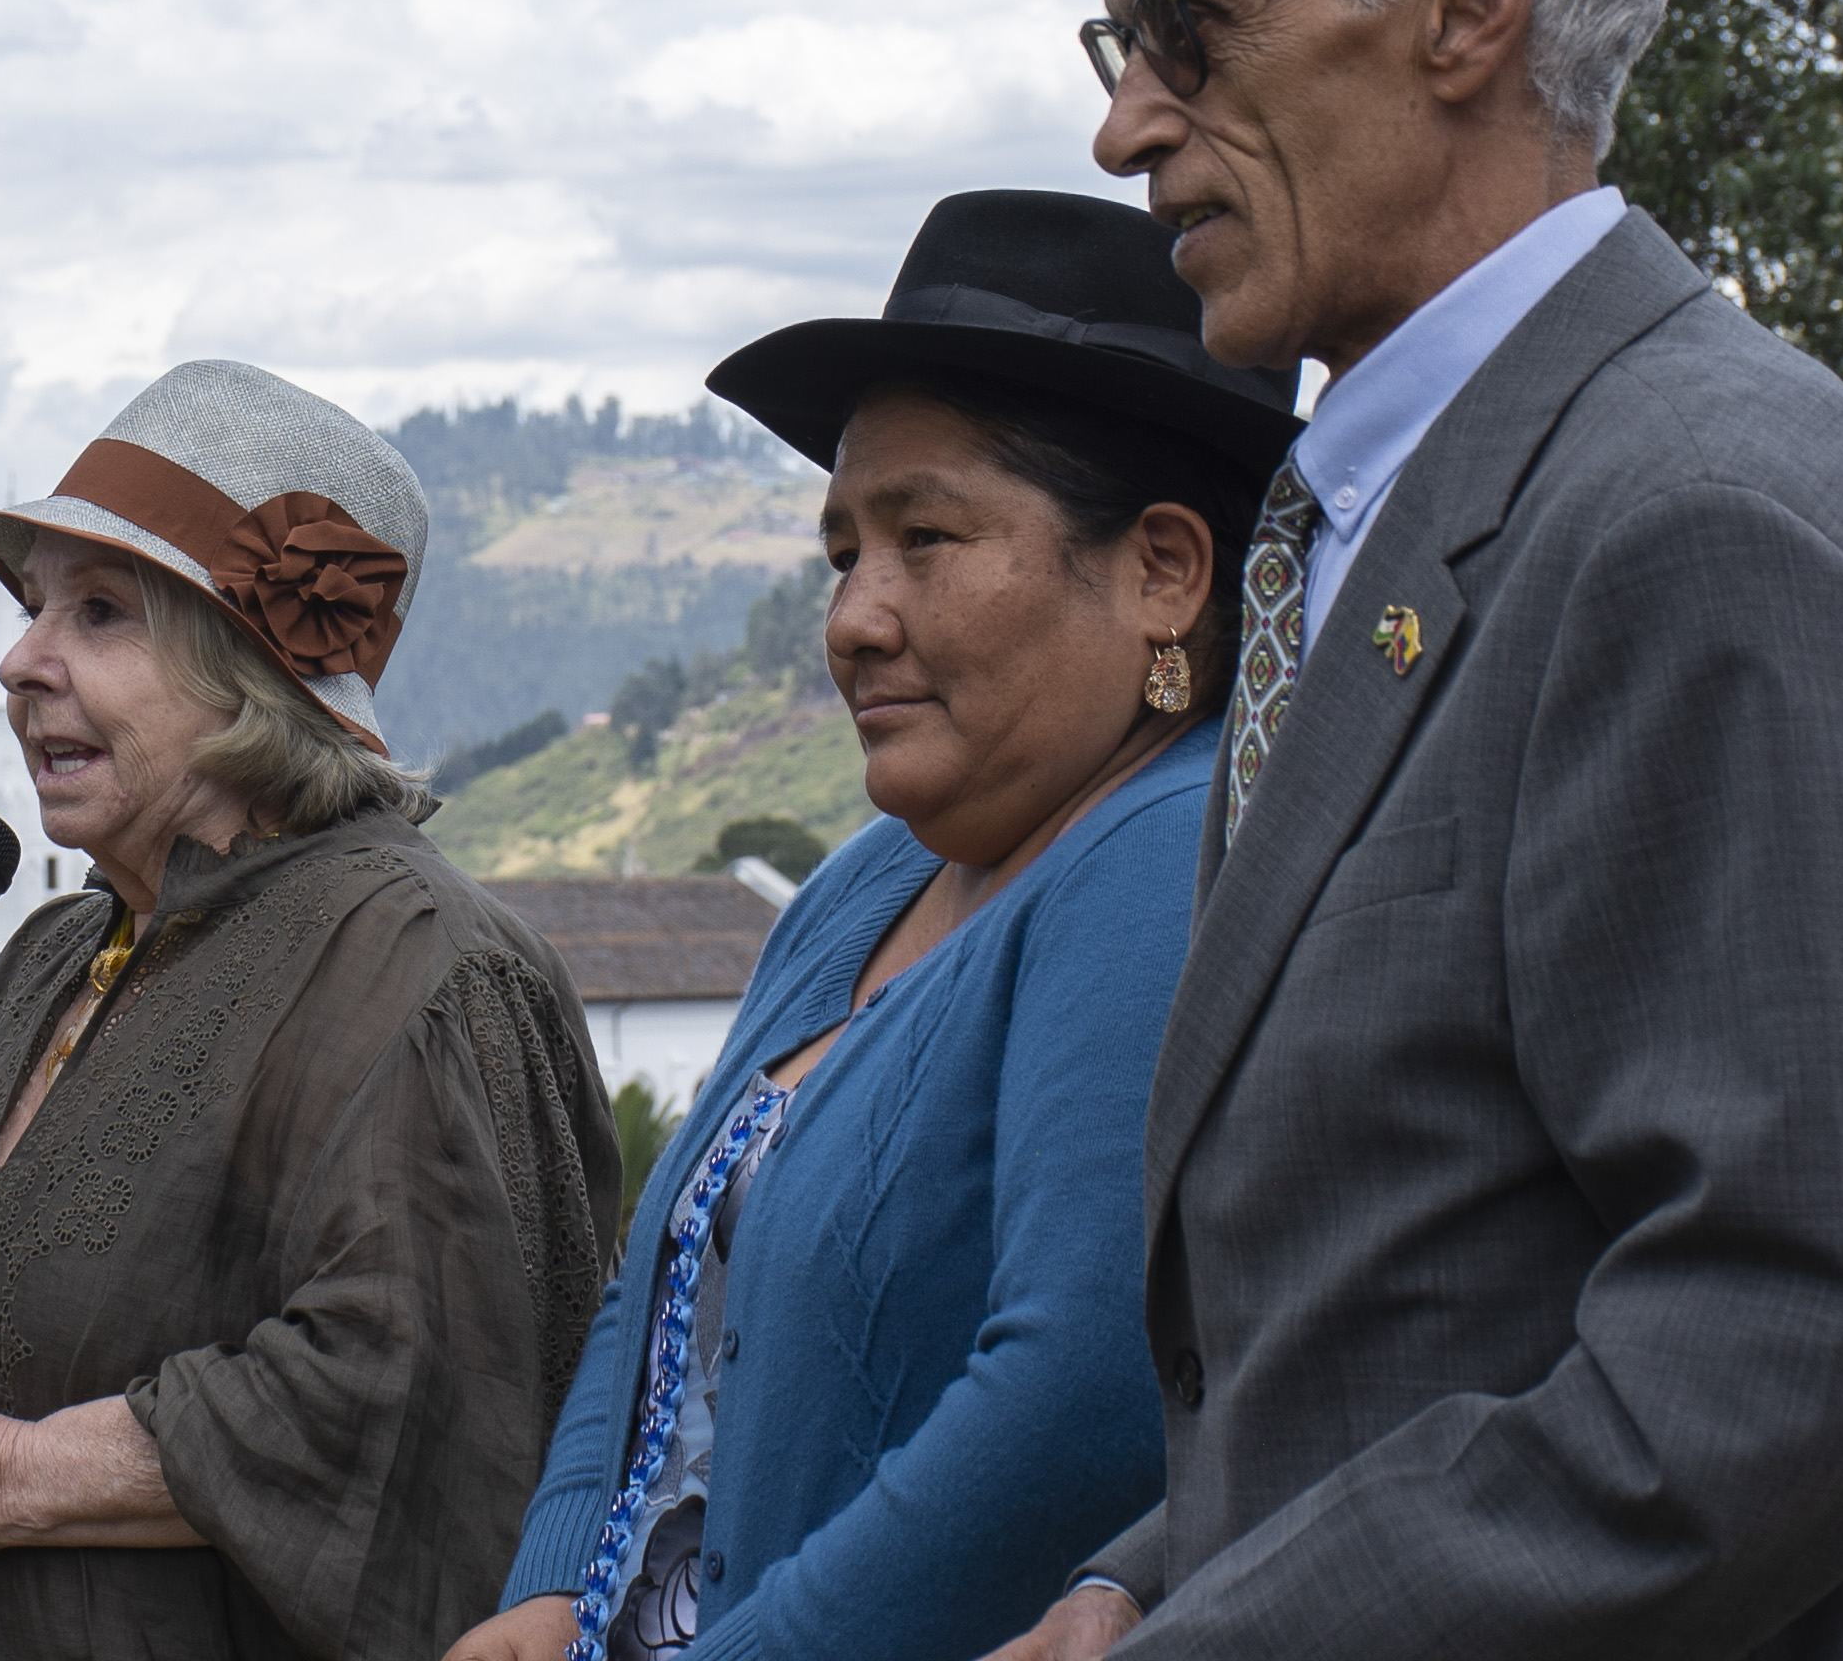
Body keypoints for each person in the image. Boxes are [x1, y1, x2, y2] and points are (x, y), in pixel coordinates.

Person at [986, 0, 1843, 1660]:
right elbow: (1423, 1282)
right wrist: (1145, 1576)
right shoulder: (1384, 525)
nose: (1124, 123)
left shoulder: (1693, 513)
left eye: (1184, 32)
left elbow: (1808, 1343)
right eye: (1119, 49)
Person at [0, 358, 620, 1660]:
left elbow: (416, 1395)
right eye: (35, 609)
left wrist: (19, 1475)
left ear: (251, 677)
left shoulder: (426, 969)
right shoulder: (57, 952)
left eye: (99, 614)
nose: (19, 661)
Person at [446, 190, 1298, 1661]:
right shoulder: (865, 885)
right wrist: (551, 1585)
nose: (853, 615)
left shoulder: (1160, 863)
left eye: (927, 537)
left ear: (1164, 572)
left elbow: (1078, 1405)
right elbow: (661, 1276)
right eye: (845, 550)